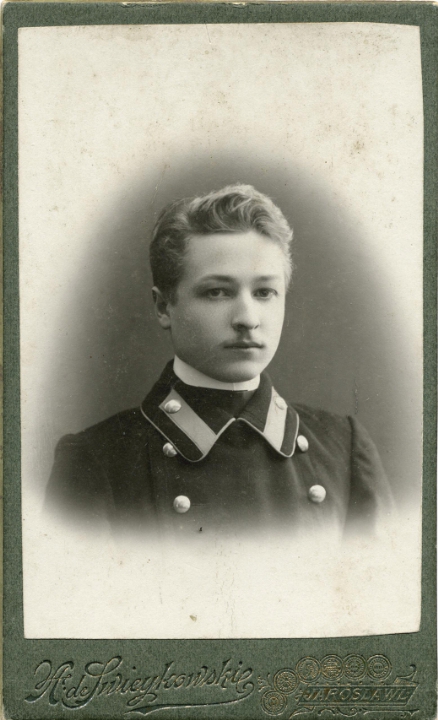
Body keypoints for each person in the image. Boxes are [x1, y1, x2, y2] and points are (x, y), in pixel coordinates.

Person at [46, 183, 393, 538]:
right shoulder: (96, 462)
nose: (247, 318)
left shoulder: (343, 449)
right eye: (217, 292)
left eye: (264, 292)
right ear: (164, 307)